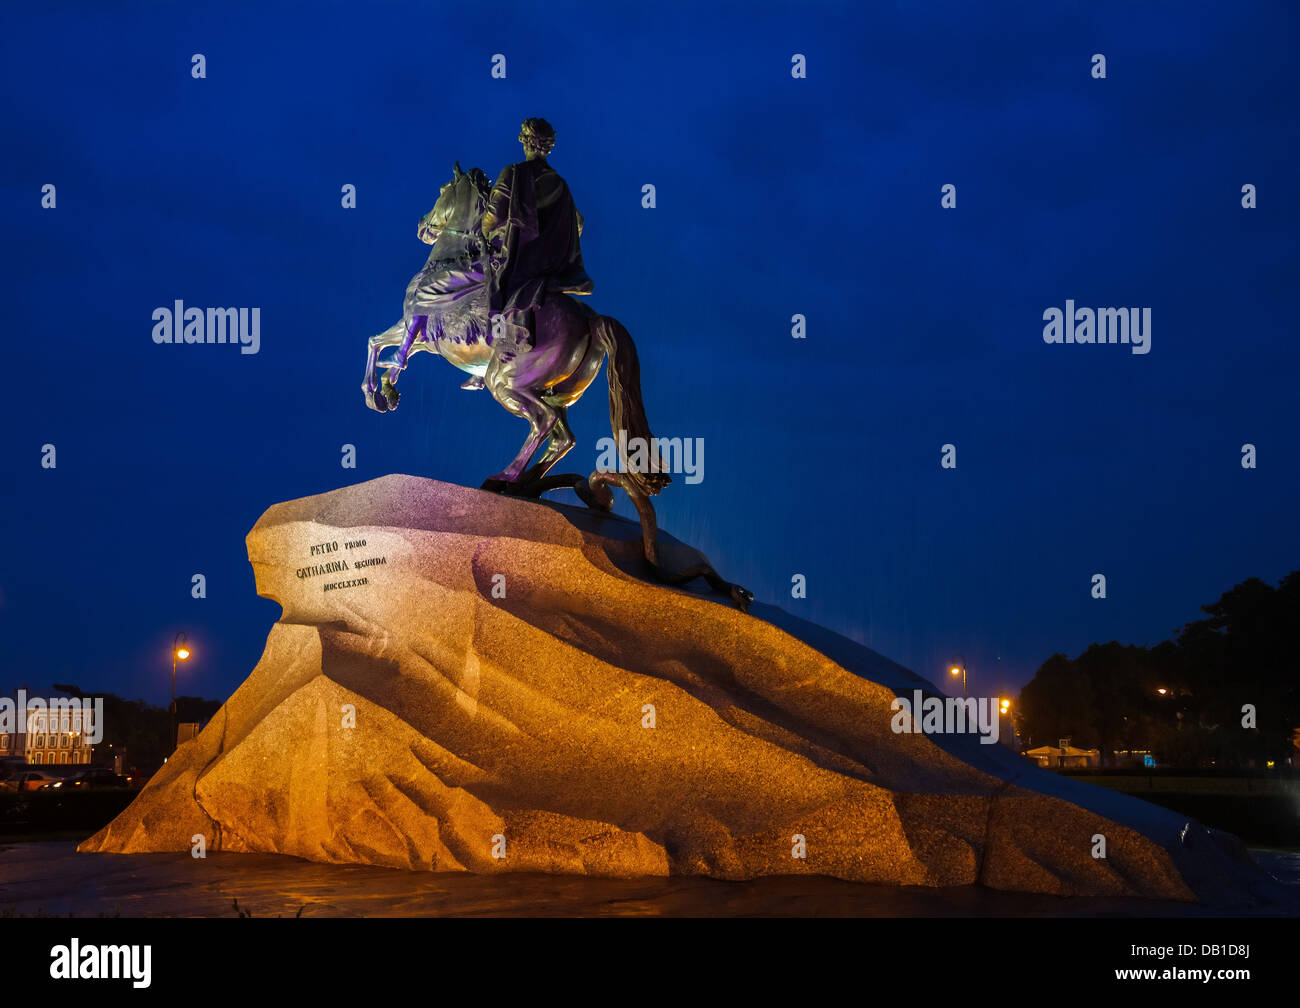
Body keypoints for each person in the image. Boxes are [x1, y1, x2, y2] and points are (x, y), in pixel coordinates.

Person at [482, 117, 592, 351]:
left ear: (525, 142)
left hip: (524, 262)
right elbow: (579, 223)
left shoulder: (514, 173)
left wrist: (483, 230)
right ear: (547, 147)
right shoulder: (560, 184)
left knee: (493, 280)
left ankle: (500, 340)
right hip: (558, 267)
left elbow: (494, 214)